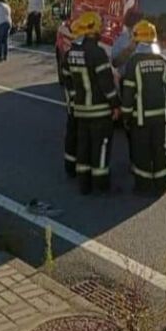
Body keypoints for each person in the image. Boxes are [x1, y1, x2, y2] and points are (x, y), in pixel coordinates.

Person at [66, 12, 120, 195]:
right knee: (101, 147)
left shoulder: (71, 53)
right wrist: (115, 105)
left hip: (81, 110)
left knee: (84, 147)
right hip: (99, 111)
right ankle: (101, 184)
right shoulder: (97, 53)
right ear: (95, 31)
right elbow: (107, 84)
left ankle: (84, 185)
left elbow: (68, 82)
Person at [120, 20, 166, 196]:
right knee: (160, 149)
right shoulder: (164, 60)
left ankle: (143, 186)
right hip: (160, 117)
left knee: (141, 151)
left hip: (140, 118)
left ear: (138, 40)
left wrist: (126, 115)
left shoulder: (133, 62)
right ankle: (163, 185)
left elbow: (128, 92)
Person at [59, 34, 83, 177]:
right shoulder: (92, 54)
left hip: (73, 104)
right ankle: (82, 169)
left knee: (72, 135)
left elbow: (65, 78)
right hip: (85, 104)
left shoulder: (68, 56)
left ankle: (70, 166)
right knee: (82, 136)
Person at [111, 9, 142, 77]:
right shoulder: (121, 40)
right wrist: (128, 51)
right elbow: (115, 63)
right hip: (126, 79)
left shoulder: (147, 39)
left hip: (144, 79)